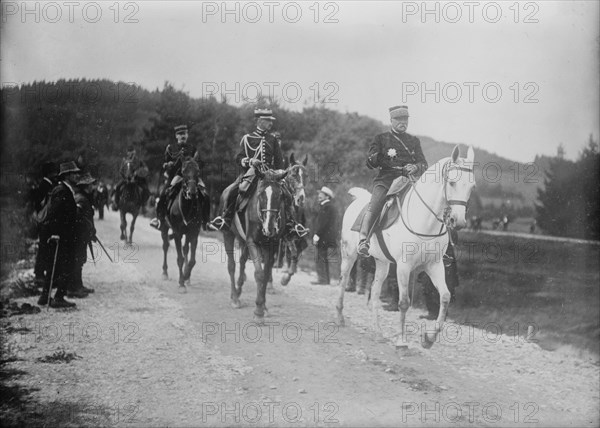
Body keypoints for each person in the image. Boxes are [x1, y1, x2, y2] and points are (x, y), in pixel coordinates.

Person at [208, 108, 304, 236]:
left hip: (270, 175)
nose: (271, 123)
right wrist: (249, 161)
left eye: (271, 120)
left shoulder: (273, 139)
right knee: (233, 191)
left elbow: (279, 162)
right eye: (268, 120)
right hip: (251, 173)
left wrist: (279, 173)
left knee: (287, 194)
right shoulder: (247, 138)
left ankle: (291, 225)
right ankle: (225, 219)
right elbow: (238, 158)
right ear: (259, 121)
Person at [358, 105, 428, 257]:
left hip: (408, 181)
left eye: (405, 119)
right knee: (376, 204)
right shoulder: (381, 139)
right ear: (391, 120)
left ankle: (437, 246)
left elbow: (424, 164)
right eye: (399, 119)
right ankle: (364, 239)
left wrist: (415, 167)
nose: (403, 122)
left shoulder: (414, 141)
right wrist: (377, 157)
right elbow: (370, 163)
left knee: (428, 204)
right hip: (386, 180)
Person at [37, 161, 80, 308]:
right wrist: (55, 233)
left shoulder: (62, 189)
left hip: (62, 235)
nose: (77, 175)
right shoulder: (62, 191)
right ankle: (59, 297)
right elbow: (55, 214)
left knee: (54, 267)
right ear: (67, 175)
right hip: (62, 236)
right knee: (65, 266)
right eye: (74, 173)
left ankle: (44, 296)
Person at [150, 125, 207, 230]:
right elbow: (164, 163)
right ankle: (159, 220)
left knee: (205, 194)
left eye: (184, 134)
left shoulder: (193, 149)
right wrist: (168, 164)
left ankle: (205, 222)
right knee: (164, 194)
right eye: (180, 134)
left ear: (187, 135)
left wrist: (197, 164)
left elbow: (201, 163)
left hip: (191, 177)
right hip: (174, 176)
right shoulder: (171, 148)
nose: (183, 136)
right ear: (176, 136)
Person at [418, 228, 459, 320]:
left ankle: (442, 313)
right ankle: (432, 311)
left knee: (444, 284)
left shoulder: (448, 228)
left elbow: (454, 239)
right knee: (427, 283)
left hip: (445, 258)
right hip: (430, 258)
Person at [69, 172, 97, 298]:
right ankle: (74, 288)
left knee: (80, 259)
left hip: (82, 235)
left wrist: (91, 231)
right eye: (91, 185)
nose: (93, 187)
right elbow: (79, 217)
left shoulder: (84, 197)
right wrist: (88, 229)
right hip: (79, 235)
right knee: (78, 259)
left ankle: (78, 285)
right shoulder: (81, 198)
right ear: (86, 186)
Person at [33, 161, 58, 288]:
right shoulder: (45, 185)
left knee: (44, 247)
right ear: (49, 173)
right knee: (44, 248)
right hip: (45, 221)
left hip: (43, 220)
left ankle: (40, 274)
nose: (56, 174)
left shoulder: (46, 184)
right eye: (54, 172)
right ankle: (39, 275)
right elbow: (39, 203)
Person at [311, 186, 339, 285]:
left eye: (321, 194)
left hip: (323, 236)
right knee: (322, 257)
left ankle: (323, 279)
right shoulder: (326, 206)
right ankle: (325, 279)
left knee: (320, 257)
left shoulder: (327, 207)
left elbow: (323, 223)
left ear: (327, 196)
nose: (319, 196)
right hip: (326, 236)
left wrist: (317, 235)